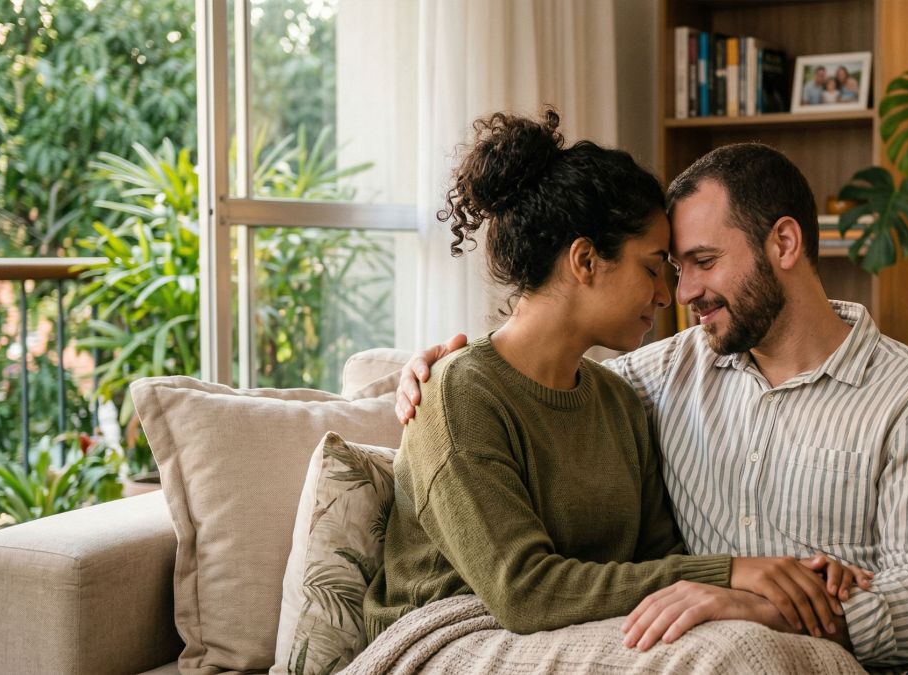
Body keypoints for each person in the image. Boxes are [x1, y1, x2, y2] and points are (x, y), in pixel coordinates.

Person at [399, 142, 908, 674]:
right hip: (736, 645)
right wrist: (431, 367)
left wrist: (775, 605)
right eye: (670, 269)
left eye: (702, 263)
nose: (679, 294)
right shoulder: (659, 374)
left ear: (783, 243)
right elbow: (531, 380)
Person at [362, 111, 872, 650]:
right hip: (451, 636)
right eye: (655, 267)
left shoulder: (619, 401)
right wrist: (731, 571)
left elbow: (661, 563)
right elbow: (523, 591)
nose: (668, 295)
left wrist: (781, 586)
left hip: (580, 632)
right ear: (585, 261)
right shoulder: (460, 393)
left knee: (761, 646)